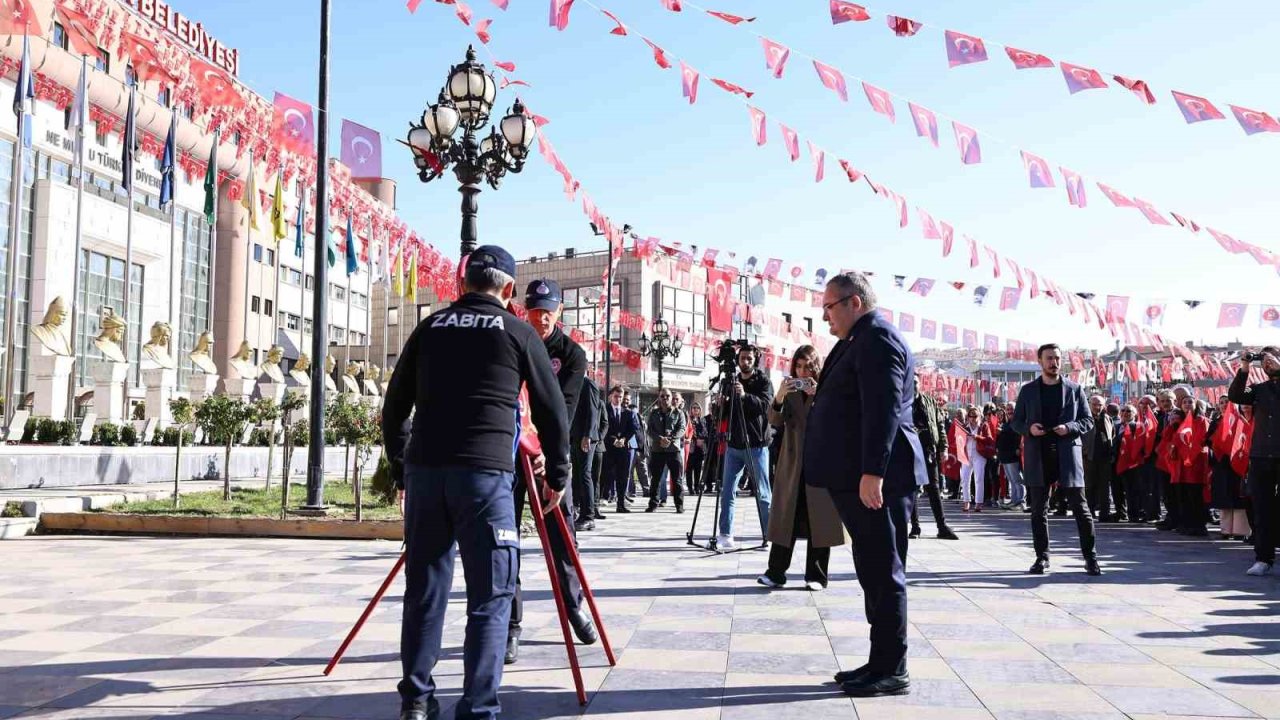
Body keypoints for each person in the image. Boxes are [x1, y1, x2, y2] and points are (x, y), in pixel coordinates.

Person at [382, 245, 571, 720]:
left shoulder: (429, 328)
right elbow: (552, 412)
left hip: (427, 476)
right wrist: (560, 475)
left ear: (462, 285)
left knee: (425, 591)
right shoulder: (517, 331)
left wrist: (402, 468)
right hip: (484, 479)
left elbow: (394, 407)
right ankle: (478, 707)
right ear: (509, 290)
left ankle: (417, 702)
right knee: (490, 596)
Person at [806, 273, 925, 698]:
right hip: (857, 477)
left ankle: (892, 668)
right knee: (872, 569)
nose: (825, 317)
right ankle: (880, 661)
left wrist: (873, 471)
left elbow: (884, 409)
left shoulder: (877, 339)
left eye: (829, 307)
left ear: (854, 302)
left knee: (884, 570)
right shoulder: (857, 339)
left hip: (879, 480)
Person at [505, 279, 597, 665]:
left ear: (559, 311)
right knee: (505, 541)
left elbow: (564, 410)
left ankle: (574, 604)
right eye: (534, 310)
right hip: (510, 453)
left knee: (563, 538)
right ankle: (510, 624)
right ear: (524, 310)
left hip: (551, 455)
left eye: (548, 310)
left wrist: (545, 454)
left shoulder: (572, 354)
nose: (541, 318)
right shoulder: (515, 342)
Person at [759, 345, 846, 590]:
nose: (802, 371)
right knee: (786, 517)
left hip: (821, 462)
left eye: (808, 365)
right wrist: (779, 397)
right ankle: (776, 572)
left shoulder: (828, 390)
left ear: (816, 366)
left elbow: (839, 420)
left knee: (820, 519)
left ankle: (817, 576)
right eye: (798, 365)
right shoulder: (790, 392)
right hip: (792, 462)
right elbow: (773, 422)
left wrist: (820, 396)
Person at [1011, 343, 1102, 576]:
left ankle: (1090, 558)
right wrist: (1029, 429)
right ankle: (1042, 557)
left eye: (1058, 358)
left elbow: (1087, 420)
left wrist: (1069, 427)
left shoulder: (1074, 389)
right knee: (1038, 510)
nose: (1054, 362)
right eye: (1050, 358)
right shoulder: (1028, 390)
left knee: (1081, 509)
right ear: (1040, 361)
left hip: (1067, 453)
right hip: (1038, 454)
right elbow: (1016, 422)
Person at [716, 345, 775, 550]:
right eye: (742, 358)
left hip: (757, 445)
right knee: (727, 491)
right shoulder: (730, 381)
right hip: (734, 444)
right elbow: (722, 415)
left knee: (763, 493)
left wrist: (743, 396)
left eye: (749, 358)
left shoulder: (763, 381)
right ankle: (725, 533)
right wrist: (720, 404)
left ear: (755, 360)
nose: (746, 362)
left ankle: (768, 535)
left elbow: (766, 406)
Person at [1229, 347, 1280, 576]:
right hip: (1261, 455)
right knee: (1262, 509)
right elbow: (1235, 395)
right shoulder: (1260, 389)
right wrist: (1245, 367)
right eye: (1265, 360)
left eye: (1273, 358)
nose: (1268, 363)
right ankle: (1263, 558)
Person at [909, 376, 958, 539]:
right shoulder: (902, 401)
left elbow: (940, 426)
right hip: (910, 451)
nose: (914, 385)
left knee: (934, 488)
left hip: (929, 450)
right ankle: (915, 527)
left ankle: (942, 526)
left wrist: (943, 448)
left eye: (916, 382)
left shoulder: (929, 402)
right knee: (913, 489)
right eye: (911, 382)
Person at [1209, 398, 1251, 541]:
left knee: (1238, 496)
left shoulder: (1241, 420)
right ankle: (1225, 529)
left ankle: (1240, 531)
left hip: (1238, 462)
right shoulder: (1215, 422)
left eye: (1227, 402)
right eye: (1221, 402)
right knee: (1224, 496)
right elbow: (1208, 440)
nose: (1224, 405)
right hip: (1221, 464)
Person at [572, 375, 607, 531]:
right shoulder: (572, 381)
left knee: (585, 475)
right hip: (574, 436)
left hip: (586, 437)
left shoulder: (588, 384)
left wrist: (587, 435)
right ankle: (579, 511)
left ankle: (589, 516)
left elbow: (593, 411)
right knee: (578, 475)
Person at [646, 388, 687, 513]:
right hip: (657, 450)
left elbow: (682, 429)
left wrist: (670, 438)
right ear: (659, 398)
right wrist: (659, 439)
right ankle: (653, 504)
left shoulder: (678, 413)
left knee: (677, 479)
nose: (665, 399)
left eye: (667, 396)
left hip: (673, 450)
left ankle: (679, 505)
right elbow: (650, 430)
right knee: (656, 479)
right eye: (662, 396)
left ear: (671, 397)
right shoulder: (654, 413)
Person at [603, 385, 640, 513]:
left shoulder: (628, 412)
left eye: (620, 397)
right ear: (610, 396)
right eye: (616, 396)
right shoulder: (605, 410)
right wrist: (613, 440)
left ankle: (620, 503)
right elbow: (603, 427)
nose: (618, 399)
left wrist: (624, 439)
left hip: (623, 449)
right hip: (608, 449)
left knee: (622, 476)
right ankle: (603, 498)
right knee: (606, 475)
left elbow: (633, 428)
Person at [1083, 395, 1117, 521]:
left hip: (1105, 458)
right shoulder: (1084, 418)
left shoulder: (1107, 418)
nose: (1097, 407)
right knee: (1089, 486)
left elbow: (1112, 436)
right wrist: (1083, 452)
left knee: (1105, 487)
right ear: (1089, 404)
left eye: (1100, 405)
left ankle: (1105, 513)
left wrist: (1112, 453)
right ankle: (1089, 513)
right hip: (1089, 457)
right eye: (1095, 404)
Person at [997, 401, 1026, 511]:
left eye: (1011, 409)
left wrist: (1019, 448)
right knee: (1011, 480)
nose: (1009, 411)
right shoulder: (1006, 423)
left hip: (1013, 455)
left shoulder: (1018, 422)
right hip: (1005, 456)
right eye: (1008, 409)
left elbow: (1020, 437)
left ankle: (1020, 500)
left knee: (1017, 479)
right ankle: (1014, 500)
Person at [958, 406, 987, 512]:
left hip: (979, 455)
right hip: (966, 455)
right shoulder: (965, 426)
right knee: (965, 479)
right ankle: (966, 502)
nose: (973, 418)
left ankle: (979, 503)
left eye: (975, 416)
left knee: (979, 479)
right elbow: (959, 440)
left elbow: (989, 439)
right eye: (970, 416)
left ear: (979, 416)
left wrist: (977, 437)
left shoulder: (983, 426)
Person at [688, 402, 709, 494]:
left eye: (697, 408)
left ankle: (696, 487)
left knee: (697, 468)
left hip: (699, 447)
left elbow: (705, 432)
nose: (696, 409)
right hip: (691, 446)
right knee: (689, 469)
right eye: (694, 407)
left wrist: (701, 438)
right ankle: (690, 488)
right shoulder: (688, 419)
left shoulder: (703, 420)